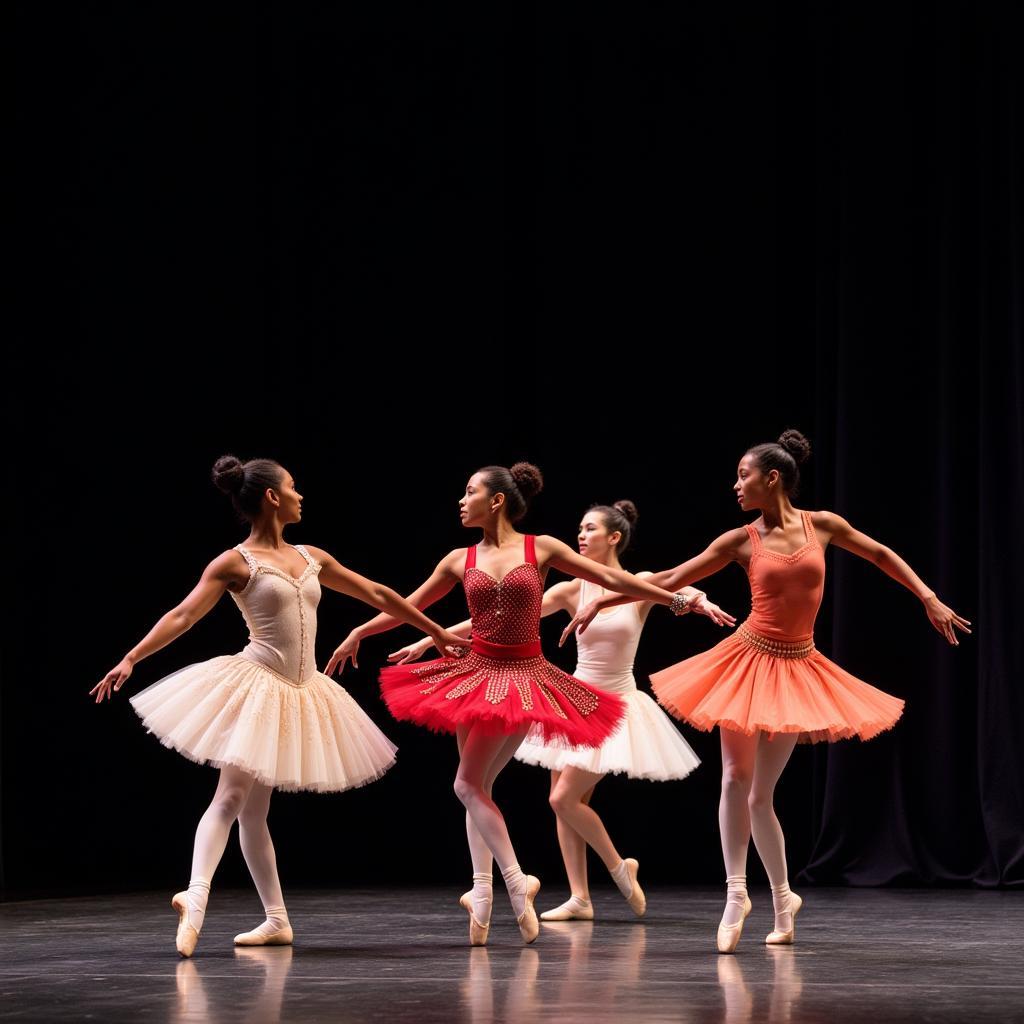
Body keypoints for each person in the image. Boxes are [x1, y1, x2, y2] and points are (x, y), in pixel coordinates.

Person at [561, 431, 970, 952]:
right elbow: (669, 577)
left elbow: (881, 554)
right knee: (735, 777)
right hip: (745, 662)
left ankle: (781, 897)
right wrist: (603, 600)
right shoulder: (739, 540)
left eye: (742, 475)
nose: (735, 485)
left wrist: (928, 597)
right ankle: (736, 894)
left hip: (799, 666)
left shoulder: (822, 525)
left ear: (771, 478)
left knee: (762, 795)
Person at [91, 455, 467, 957]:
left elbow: (375, 592)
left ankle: (276, 920)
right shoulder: (234, 563)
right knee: (230, 798)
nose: (300, 495)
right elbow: (183, 614)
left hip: (301, 689)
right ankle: (195, 897)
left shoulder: (313, 556)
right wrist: (132, 657)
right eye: (293, 487)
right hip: (259, 684)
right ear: (272, 496)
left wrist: (435, 630)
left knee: (254, 813)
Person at [329, 463, 715, 945]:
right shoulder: (458, 558)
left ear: (496, 501)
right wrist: (365, 631)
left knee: (470, 786)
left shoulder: (542, 548)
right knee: (479, 786)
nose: (461, 500)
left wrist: (677, 601)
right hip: (473, 673)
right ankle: (484, 896)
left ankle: (514, 882)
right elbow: (409, 604)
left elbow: (617, 582)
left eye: (470, 492)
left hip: (523, 679)